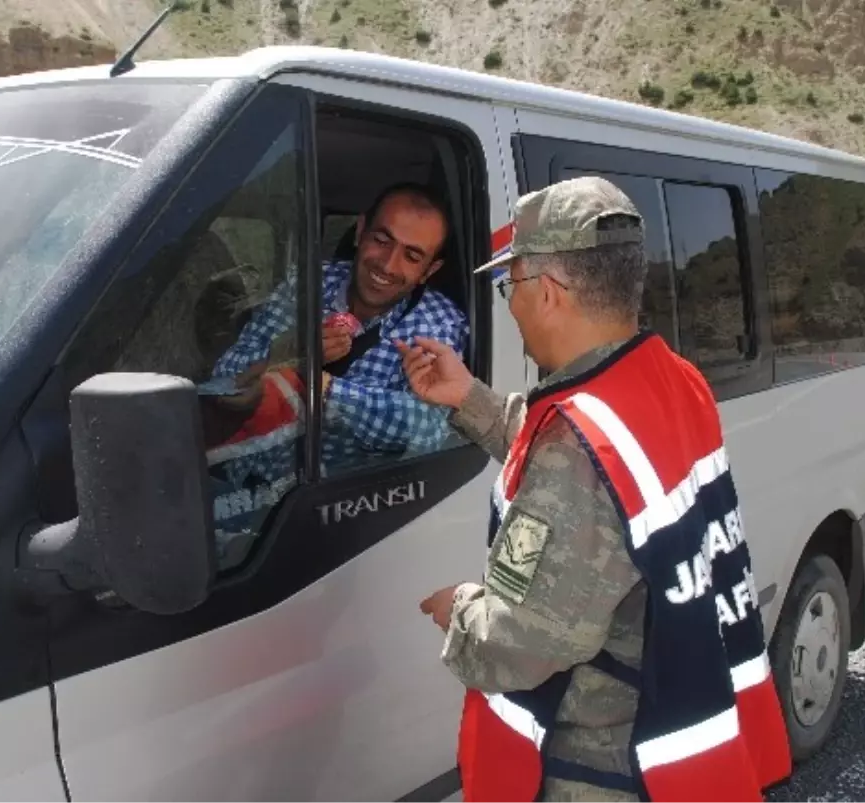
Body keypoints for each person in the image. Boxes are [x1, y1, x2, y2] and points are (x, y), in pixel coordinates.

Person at [398, 176, 792, 802]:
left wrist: (460, 611)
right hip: (673, 728)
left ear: (549, 292)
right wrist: (468, 399)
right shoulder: (667, 379)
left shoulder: (576, 445)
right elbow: (608, 465)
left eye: (511, 285)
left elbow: (529, 645)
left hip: (602, 772)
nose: (511, 303)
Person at [207, 182, 469, 484]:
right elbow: (224, 376)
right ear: (359, 232)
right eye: (382, 240)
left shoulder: (438, 324)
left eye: (411, 257)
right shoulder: (309, 283)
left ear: (428, 270)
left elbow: (428, 429)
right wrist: (288, 350)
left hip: (331, 503)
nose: (387, 264)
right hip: (238, 483)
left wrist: (324, 388)